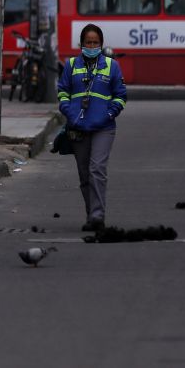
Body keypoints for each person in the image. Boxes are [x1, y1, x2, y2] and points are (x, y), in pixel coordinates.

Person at [57, 23, 127, 232]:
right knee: (84, 174)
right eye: (88, 42)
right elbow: (62, 94)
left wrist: (109, 114)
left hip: (104, 128)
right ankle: (91, 215)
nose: (92, 45)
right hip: (78, 128)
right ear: (82, 44)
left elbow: (121, 96)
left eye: (96, 42)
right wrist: (71, 115)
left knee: (97, 169)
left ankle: (98, 216)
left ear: (102, 44)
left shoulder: (111, 66)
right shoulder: (71, 65)